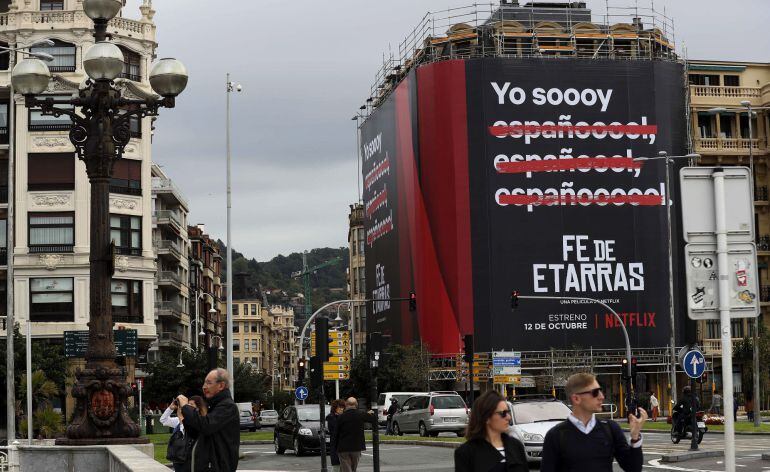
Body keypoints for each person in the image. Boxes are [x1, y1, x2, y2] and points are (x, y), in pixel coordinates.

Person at [540, 372, 646, 472]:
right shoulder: (556, 435)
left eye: (601, 391)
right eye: (595, 393)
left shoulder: (610, 429)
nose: (601, 397)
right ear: (576, 398)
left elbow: (633, 468)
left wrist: (635, 437)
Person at [177, 368, 240, 472]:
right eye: (204, 383)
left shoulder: (228, 406)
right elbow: (196, 432)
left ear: (221, 385)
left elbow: (206, 426)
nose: (204, 387)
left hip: (218, 467)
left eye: (209, 383)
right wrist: (183, 414)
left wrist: (186, 408)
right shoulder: (214, 406)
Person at [454, 390, 528, 472]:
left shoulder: (516, 446)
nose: (508, 417)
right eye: (503, 413)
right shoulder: (466, 453)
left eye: (508, 412)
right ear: (486, 417)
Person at [164, 396, 208, 472]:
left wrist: (182, 421)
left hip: (188, 458)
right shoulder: (179, 419)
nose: (188, 406)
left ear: (197, 408)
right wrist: (170, 409)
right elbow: (163, 420)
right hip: (178, 457)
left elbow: (189, 435)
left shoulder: (200, 421)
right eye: (187, 404)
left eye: (191, 404)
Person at [333, 397, 377, 472]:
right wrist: (370, 413)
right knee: (353, 469)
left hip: (343, 448)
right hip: (356, 447)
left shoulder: (341, 417)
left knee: (346, 469)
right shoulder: (361, 414)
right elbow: (373, 419)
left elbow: (336, 433)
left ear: (346, 404)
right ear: (356, 405)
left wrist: (335, 447)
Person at [326, 399, 346, 472]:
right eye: (339, 407)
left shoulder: (342, 417)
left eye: (342, 407)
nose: (341, 409)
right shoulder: (331, 418)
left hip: (342, 446)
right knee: (336, 467)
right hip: (336, 445)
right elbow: (336, 431)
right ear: (335, 408)